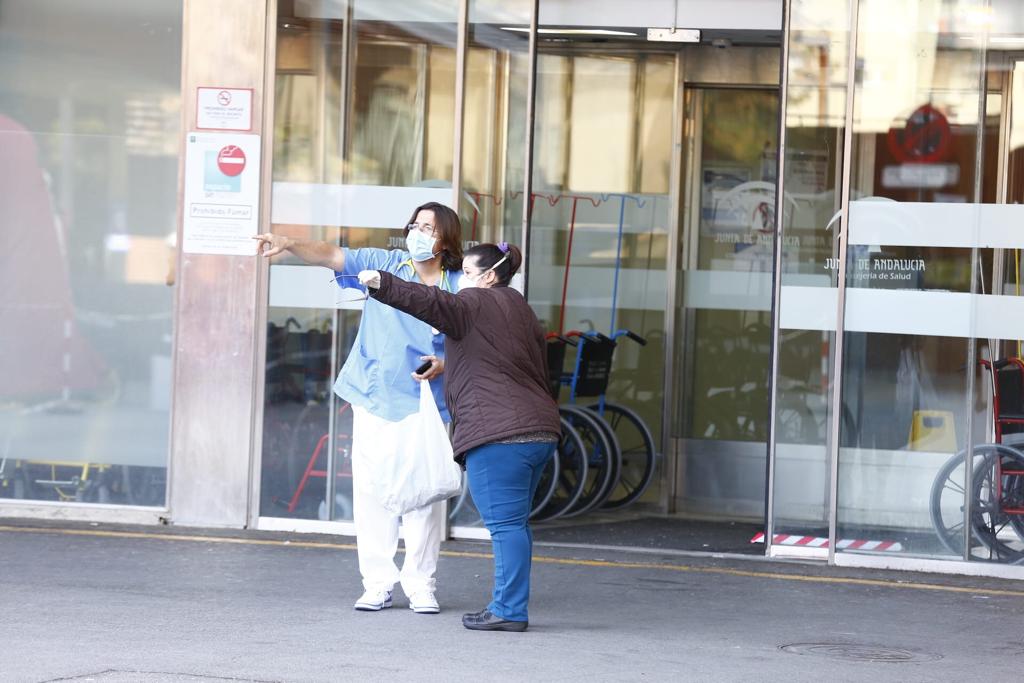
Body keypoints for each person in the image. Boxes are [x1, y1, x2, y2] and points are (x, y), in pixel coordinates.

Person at [253, 202, 463, 615]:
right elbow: (332, 254)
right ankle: (378, 582)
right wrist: (290, 243)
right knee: (372, 490)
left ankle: (421, 584)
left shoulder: (457, 285)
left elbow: (474, 340)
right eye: (415, 224)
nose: (418, 232)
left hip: (427, 403)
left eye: (429, 228)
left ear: (446, 241)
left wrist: (446, 364)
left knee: (422, 494)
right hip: (374, 393)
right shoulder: (386, 265)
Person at [357, 242, 561, 632]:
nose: (460, 282)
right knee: (516, 525)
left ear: (487, 276)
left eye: (467, 273)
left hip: (498, 435)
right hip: (538, 431)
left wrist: (381, 281)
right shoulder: (519, 308)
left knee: (505, 527)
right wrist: (449, 363)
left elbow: (429, 301)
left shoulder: (472, 303)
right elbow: (507, 360)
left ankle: (509, 609)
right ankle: (509, 605)